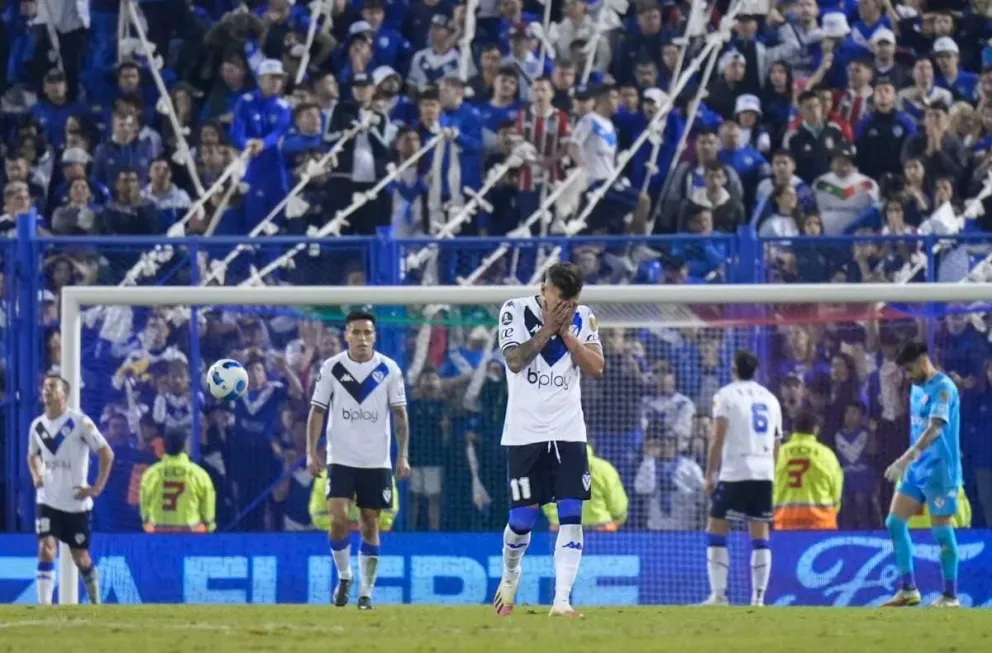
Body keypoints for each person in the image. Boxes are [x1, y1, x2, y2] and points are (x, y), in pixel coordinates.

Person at [492, 262, 604, 618]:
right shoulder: (513, 309)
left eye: (571, 302)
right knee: (523, 519)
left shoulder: (584, 317)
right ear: (544, 290)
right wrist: (549, 329)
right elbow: (513, 361)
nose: (566, 308)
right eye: (560, 301)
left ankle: (561, 601)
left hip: (569, 431)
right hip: (525, 433)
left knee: (572, 513)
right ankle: (510, 573)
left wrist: (568, 335)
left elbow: (597, 367)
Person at [305, 310, 410, 610]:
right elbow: (317, 411)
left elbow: (400, 415)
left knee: (369, 524)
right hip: (340, 459)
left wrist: (402, 455)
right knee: (338, 519)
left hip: (376, 461)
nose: (362, 338)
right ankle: (345, 576)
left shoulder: (389, 369)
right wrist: (311, 451)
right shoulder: (332, 368)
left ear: (374, 336)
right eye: (357, 332)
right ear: (346, 335)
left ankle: (366, 592)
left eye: (368, 333)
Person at [881, 342, 963, 608]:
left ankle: (950, 596)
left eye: (909, 369)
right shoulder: (916, 388)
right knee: (894, 522)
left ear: (922, 361)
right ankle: (908, 589)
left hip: (940, 471)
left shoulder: (944, 388)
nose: (908, 375)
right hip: (917, 470)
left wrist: (905, 458)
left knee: (941, 530)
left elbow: (935, 429)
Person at [703, 349, 783, 607]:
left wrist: (710, 473)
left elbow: (718, 436)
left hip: (735, 471)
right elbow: (777, 442)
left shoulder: (725, 395)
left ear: (733, 369)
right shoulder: (771, 399)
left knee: (716, 528)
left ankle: (719, 595)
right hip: (764, 472)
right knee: (759, 533)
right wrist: (771, 472)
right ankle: (758, 598)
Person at [28, 375, 115, 605]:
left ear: (63, 394)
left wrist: (96, 488)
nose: (46, 390)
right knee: (46, 548)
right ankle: (44, 607)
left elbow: (106, 453)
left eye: (52, 387)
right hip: (47, 499)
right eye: (44, 387)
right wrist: (37, 474)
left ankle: (96, 601)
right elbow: (32, 455)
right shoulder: (37, 426)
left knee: (81, 557)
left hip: (76, 503)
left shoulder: (80, 422)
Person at [773, 410, 844, 531]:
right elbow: (836, 490)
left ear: (793, 428)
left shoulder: (779, 453)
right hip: (821, 523)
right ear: (815, 429)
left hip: (785, 522)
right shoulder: (826, 454)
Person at [139, 429, 216, 533]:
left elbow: (144, 508)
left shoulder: (152, 473)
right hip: (190, 532)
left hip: (159, 532)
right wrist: (208, 526)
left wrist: (147, 524)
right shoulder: (198, 474)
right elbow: (208, 510)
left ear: (164, 446)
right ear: (184, 446)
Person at [542, 445, 628, 531]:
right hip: (600, 529)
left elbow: (547, 501)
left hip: (564, 528)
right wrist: (617, 520)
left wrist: (556, 521)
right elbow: (617, 503)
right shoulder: (603, 468)